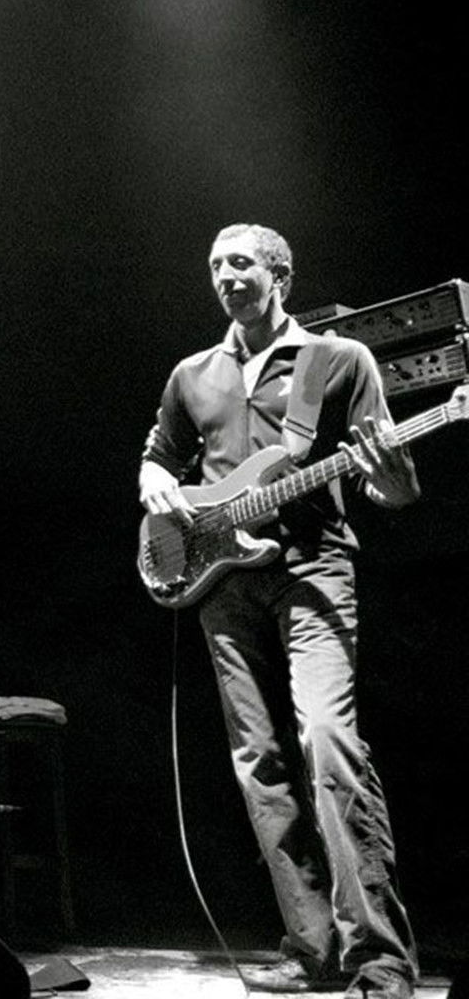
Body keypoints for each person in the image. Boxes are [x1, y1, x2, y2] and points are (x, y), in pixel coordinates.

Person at [139, 224, 419, 999]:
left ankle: (380, 959)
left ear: (280, 277)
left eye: (240, 263)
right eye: (214, 265)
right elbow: (160, 454)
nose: (225, 276)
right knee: (256, 762)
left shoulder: (338, 361)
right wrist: (153, 485)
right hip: (220, 576)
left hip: (314, 567)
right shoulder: (192, 374)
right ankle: (312, 950)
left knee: (328, 743)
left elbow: (390, 488)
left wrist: (393, 479)